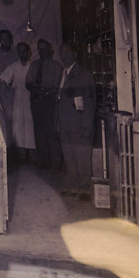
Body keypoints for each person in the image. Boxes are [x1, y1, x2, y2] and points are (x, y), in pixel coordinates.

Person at [55, 46, 97, 186]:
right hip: (64, 123)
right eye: (62, 53)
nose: (63, 56)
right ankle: (74, 185)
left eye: (67, 52)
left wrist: (87, 125)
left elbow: (90, 101)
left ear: (75, 53)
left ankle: (84, 189)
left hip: (79, 123)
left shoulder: (84, 74)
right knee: (69, 156)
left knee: (83, 158)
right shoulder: (63, 73)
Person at [25, 40, 64, 173]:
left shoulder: (57, 66)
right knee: (38, 131)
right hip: (36, 100)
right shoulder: (34, 65)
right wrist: (36, 91)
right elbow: (28, 82)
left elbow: (57, 85)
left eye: (44, 49)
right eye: (39, 49)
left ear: (51, 50)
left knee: (51, 131)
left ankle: (55, 163)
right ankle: (43, 162)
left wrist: (44, 92)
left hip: (49, 100)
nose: (42, 52)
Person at [0, 41, 36, 164]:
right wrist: (4, 96)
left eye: (24, 50)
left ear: (29, 52)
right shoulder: (13, 67)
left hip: (32, 100)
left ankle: (33, 157)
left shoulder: (34, 66)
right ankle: (22, 157)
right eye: (19, 51)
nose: (22, 53)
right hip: (18, 101)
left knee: (31, 128)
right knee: (18, 128)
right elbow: (3, 81)